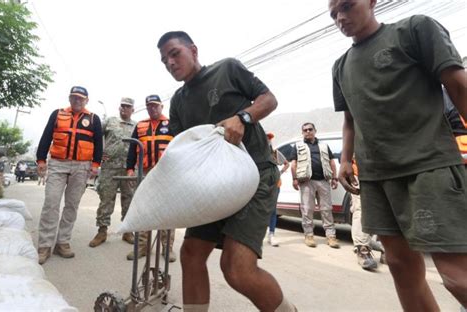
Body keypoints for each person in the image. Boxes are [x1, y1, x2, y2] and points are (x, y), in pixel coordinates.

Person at [330, 0, 467, 310]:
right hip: (376, 178)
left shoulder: (414, 29)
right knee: (401, 267)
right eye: (333, 13)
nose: (340, 17)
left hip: (429, 167)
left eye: (347, 6)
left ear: (371, 1)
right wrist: (345, 159)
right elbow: (350, 119)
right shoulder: (340, 66)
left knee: (457, 276)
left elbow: (459, 85)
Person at [157, 30, 296, 312]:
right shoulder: (178, 101)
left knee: (236, 268)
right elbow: (183, 147)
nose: (170, 63)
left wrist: (243, 117)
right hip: (213, 186)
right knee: (191, 253)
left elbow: (269, 99)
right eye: (164, 60)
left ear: (193, 50)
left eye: (174, 53)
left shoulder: (227, 69)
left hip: (255, 175)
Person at [36, 86, 102, 265]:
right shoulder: (57, 114)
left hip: (82, 167)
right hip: (58, 164)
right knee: (51, 203)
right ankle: (44, 245)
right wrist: (41, 160)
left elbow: (98, 143)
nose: (77, 100)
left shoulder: (94, 119)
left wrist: (96, 165)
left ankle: (62, 242)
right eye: (74, 97)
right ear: (69, 98)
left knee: (71, 205)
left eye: (80, 98)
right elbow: (46, 137)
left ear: (86, 100)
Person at [125, 94, 176, 262]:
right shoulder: (140, 125)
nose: (152, 108)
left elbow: (179, 148)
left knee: (167, 211)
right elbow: (133, 149)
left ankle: (167, 248)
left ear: (161, 106)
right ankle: (142, 246)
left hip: (167, 173)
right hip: (145, 172)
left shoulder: (172, 124)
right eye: (149, 106)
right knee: (144, 210)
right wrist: (130, 169)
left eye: (155, 105)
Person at [89, 97, 137, 248]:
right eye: (122, 106)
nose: (124, 109)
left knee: (129, 199)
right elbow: (95, 136)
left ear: (132, 110)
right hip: (110, 167)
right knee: (106, 198)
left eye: (127, 107)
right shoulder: (110, 122)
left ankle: (128, 231)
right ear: (119, 108)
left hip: (128, 169)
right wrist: (97, 154)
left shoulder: (137, 126)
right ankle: (102, 231)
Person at [289, 122, 340, 248]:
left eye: (310, 129)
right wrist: (295, 179)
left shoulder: (324, 146)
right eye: (305, 130)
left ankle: (331, 237)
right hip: (306, 182)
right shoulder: (298, 146)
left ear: (315, 130)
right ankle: (309, 235)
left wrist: (334, 178)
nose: (307, 132)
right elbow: (293, 164)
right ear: (302, 132)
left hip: (323, 181)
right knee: (307, 210)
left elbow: (332, 162)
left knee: (326, 209)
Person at [266, 132, 289, 247]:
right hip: (260, 185)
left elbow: (286, 164)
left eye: (269, 138)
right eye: (266, 138)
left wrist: (279, 173)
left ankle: (271, 235)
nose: (268, 140)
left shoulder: (275, 153)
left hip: (275, 185)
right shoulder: (255, 153)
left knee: (273, 210)